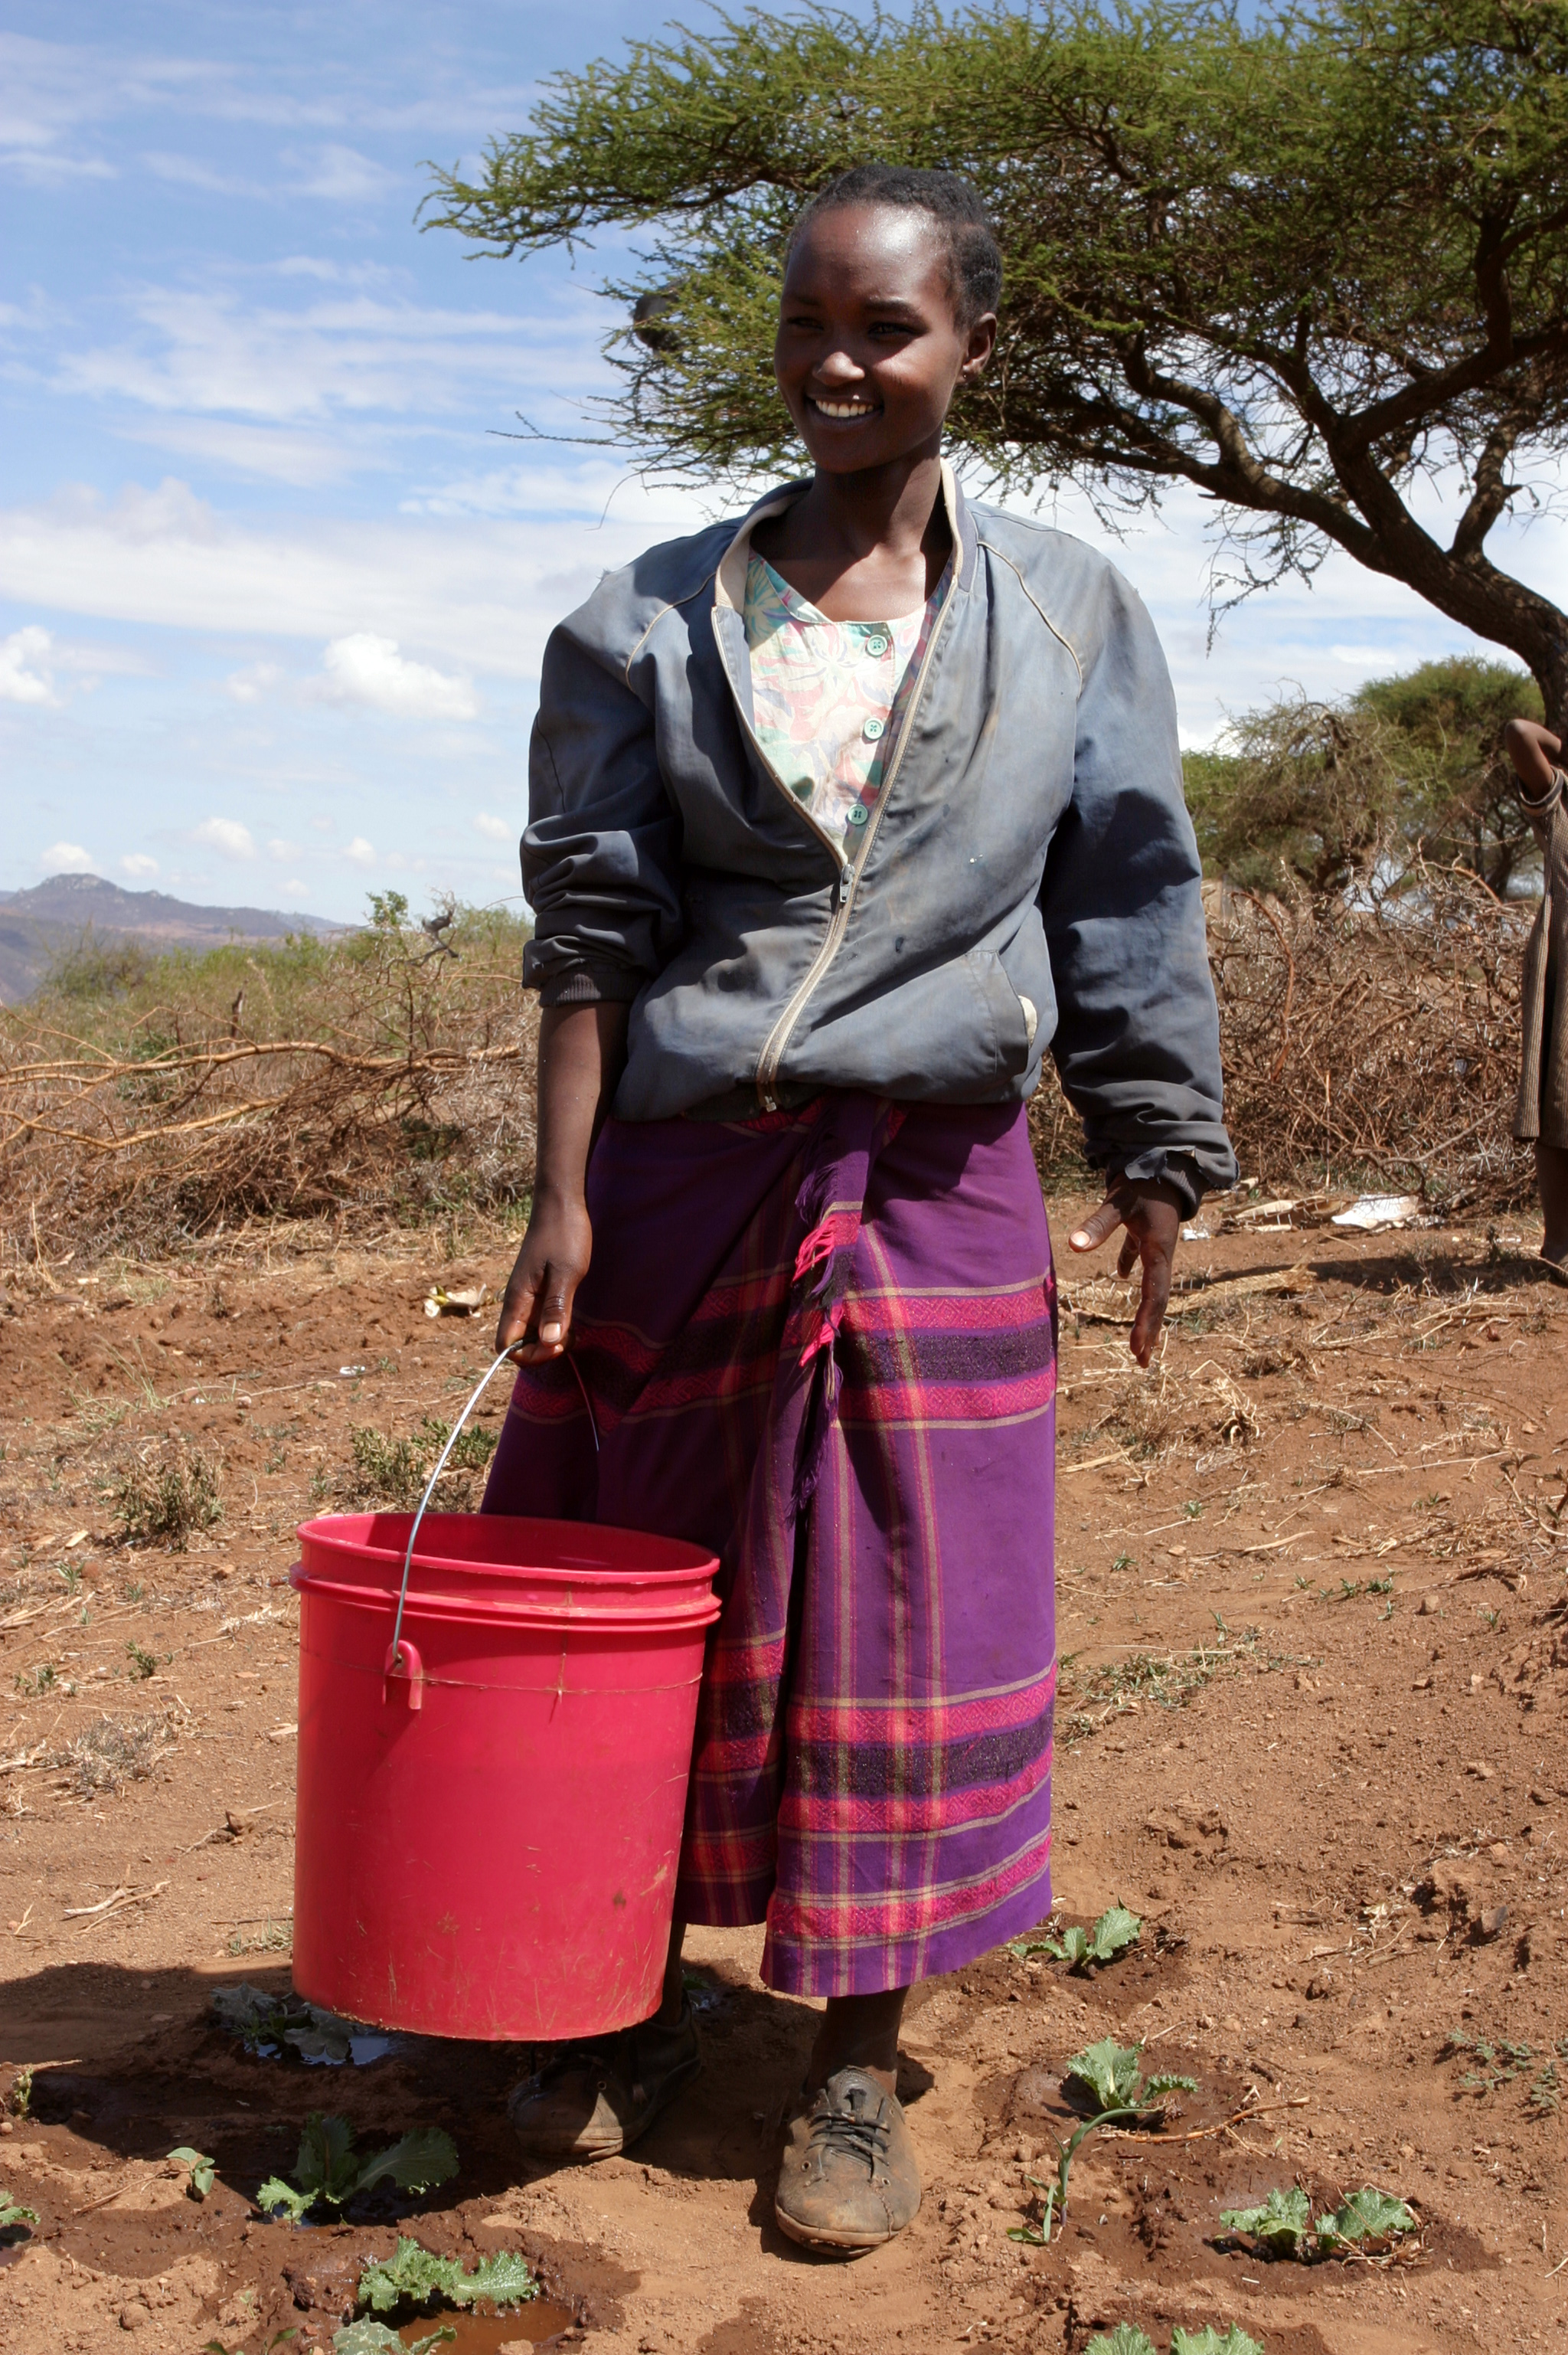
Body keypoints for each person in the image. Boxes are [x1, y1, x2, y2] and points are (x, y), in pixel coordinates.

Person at [482, 161, 1236, 2254]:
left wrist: (1156, 1141)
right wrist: (560, 1191)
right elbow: (592, 931)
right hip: (683, 1174)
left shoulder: (1069, 611)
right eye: (806, 325)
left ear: (970, 349)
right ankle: (607, 1994)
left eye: (884, 329)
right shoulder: (646, 612)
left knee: (905, 1620)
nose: (836, 363)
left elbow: (1127, 894)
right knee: (639, 1605)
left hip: (929, 1181)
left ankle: (842, 2064)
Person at [1504, 715, 1568, 1274]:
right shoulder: (1559, 808)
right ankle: (1559, 1242)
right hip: (1563, 976)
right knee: (1554, 1099)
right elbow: (1520, 733)